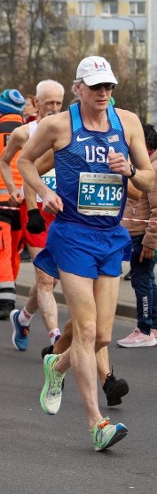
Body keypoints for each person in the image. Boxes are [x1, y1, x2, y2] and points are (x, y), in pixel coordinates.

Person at [19, 55, 153, 451]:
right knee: (88, 327)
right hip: (72, 234)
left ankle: (56, 365)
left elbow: (148, 179)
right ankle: (98, 423)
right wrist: (44, 192)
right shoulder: (58, 125)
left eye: (108, 87)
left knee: (102, 335)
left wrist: (128, 169)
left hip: (111, 235)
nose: (103, 94)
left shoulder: (126, 123)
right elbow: (25, 161)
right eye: (96, 87)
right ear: (78, 88)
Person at [0, 80, 66, 351]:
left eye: (58, 103)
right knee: (44, 279)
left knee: (54, 277)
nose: (53, 108)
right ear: (36, 103)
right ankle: (55, 338)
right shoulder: (23, 133)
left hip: (62, 212)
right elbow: (5, 161)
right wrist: (13, 189)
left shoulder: (68, 132)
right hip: (35, 211)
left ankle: (23, 316)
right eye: (48, 102)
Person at [0, 89, 27, 320]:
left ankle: (6, 303)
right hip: (23, 204)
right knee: (14, 252)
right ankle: (10, 292)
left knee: (1, 251)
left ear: (0, 111)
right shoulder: (31, 132)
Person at [119, 123, 157, 347]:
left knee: (141, 280)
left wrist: (149, 242)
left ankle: (143, 329)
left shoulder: (151, 169)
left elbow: (156, 209)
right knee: (148, 280)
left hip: (142, 235)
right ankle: (152, 326)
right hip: (141, 234)